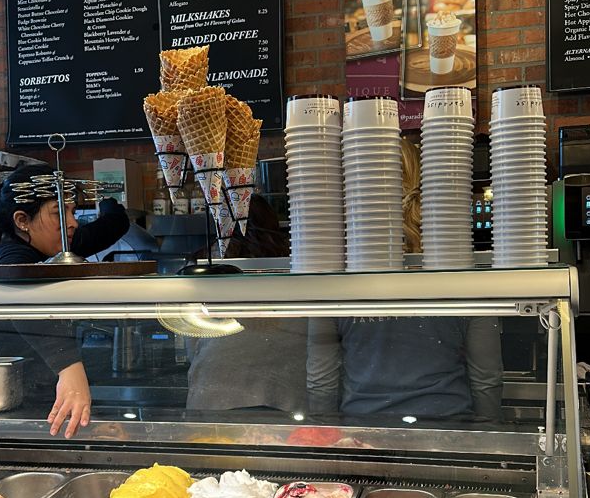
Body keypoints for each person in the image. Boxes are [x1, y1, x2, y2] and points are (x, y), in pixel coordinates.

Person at [307, 139, 503, 421]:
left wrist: (326, 441)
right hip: (448, 433)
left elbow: (321, 382)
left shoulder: (334, 278)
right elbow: (487, 379)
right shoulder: (458, 272)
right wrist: (488, 439)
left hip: (364, 437)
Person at [0, 166, 129, 437]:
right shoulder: (8, 254)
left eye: (72, 211)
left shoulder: (44, 243)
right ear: (22, 220)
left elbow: (107, 229)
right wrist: (69, 367)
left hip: (12, 399)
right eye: (59, 212)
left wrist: (112, 208)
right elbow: (20, 292)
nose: (72, 222)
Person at [185, 195, 308, 413]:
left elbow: (192, 337)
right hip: (286, 395)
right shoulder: (299, 259)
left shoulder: (205, 263)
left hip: (216, 392)